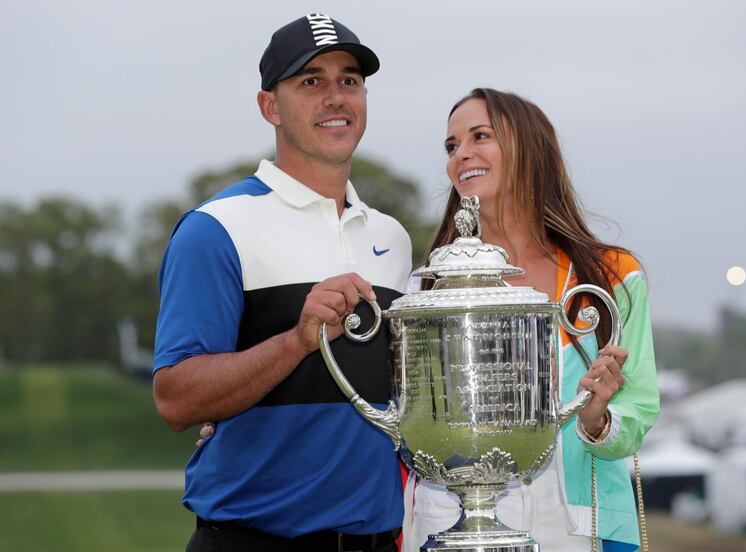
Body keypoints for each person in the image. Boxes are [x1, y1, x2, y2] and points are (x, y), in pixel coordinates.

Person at [152, 14, 411, 552]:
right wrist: (297, 341)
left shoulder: (392, 238)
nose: (336, 97)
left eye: (350, 80)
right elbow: (176, 399)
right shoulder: (216, 228)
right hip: (254, 540)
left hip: (377, 541)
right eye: (311, 81)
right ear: (270, 105)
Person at [401, 89, 659, 552]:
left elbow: (639, 409)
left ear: (529, 149)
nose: (462, 154)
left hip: (578, 523)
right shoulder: (427, 288)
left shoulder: (613, 277)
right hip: (449, 518)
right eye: (451, 145)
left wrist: (598, 420)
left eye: (481, 136)